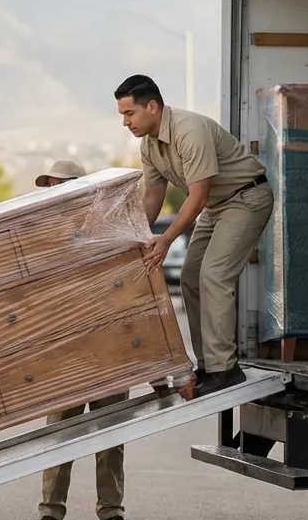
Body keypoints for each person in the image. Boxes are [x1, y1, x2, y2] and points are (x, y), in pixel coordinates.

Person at [114, 74, 274, 397]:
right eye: (122, 116)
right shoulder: (150, 145)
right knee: (189, 276)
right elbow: (153, 198)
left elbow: (197, 196)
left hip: (246, 198)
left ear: (153, 107)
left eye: (129, 114)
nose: (125, 123)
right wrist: (135, 238)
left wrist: (166, 240)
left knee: (214, 275)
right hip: (217, 207)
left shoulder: (190, 130)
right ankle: (207, 365)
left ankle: (224, 368)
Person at [29, 159, 136, 520]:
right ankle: (50, 514)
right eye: (50, 187)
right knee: (60, 434)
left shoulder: (103, 232)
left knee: (109, 436)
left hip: (108, 351)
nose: (53, 193)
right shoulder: (45, 238)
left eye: (59, 186)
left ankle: (111, 513)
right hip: (66, 353)